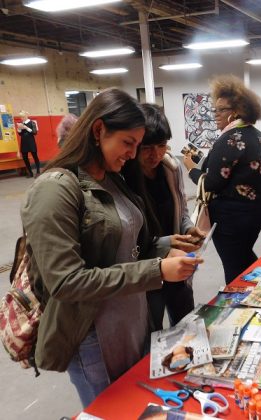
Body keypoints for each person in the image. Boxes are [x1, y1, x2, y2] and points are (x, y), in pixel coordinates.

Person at [20, 88, 203, 408]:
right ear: (98, 130)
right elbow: (66, 282)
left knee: (139, 406)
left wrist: (164, 248)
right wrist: (157, 269)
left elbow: (130, 247)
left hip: (132, 323)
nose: (133, 154)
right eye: (128, 143)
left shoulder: (112, 178)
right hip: (93, 337)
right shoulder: (55, 189)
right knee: (112, 411)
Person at [183, 75, 261, 285]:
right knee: (244, 257)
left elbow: (212, 183)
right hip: (256, 213)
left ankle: (238, 306)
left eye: (220, 110)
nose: (215, 115)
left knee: (234, 266)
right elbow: (234, 169)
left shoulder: (229, 139)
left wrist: (190, 169)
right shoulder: (258, 136)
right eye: (214, 109)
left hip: (232, 219)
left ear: (236, 112)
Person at [121, 103, 206, 330]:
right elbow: (127, 242)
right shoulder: (121, 178)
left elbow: (181, 211)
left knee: (186, 322)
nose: (156, 154)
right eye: (147, 147)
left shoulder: (171, 168)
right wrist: (167, 243)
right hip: (146, 269)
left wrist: (188, 229)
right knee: (150, 329)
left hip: (177, 262)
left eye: (162, 145)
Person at [16, 110, 40, 177]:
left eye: (23, 117)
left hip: (31, 142)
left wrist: (26, 127)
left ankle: (38, 171)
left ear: (26, 116)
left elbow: (34, 132)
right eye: (21, 117)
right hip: (24, 142)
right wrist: (19, 129)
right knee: (25, 158)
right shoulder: (21, 123)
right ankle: (30, 172)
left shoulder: (32, 122)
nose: (21, 118)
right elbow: (20, 134)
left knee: (35, 156)